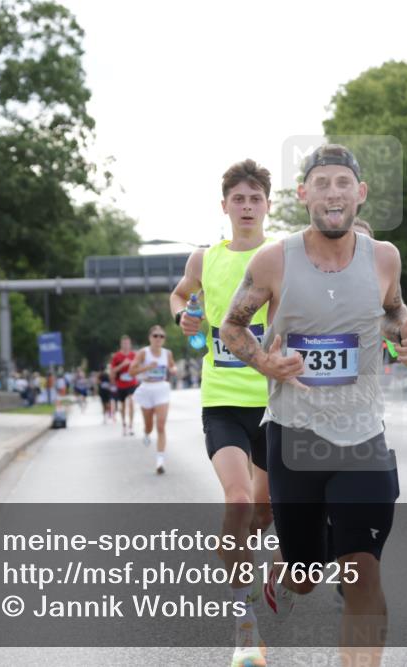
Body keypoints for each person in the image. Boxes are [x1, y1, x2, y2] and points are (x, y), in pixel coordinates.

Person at [220, 144, 407, 667]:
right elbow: (232, 326)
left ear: (359, 194)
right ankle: (286, 570)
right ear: (303, 194)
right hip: (295, 439)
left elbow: (390, 313)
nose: (333, 193)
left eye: (343, 183)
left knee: (363, 570)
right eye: (322, 183)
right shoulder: (274, 259)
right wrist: (266, 365)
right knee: (305, 578)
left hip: (363, 439)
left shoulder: (384, 257)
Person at [169, 159, 277, 667]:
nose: (248, 206)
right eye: (240, 198)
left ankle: (247, 557)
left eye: (256, 198)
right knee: (237, 501)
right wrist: (184, 317)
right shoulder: (204, 259)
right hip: (223, 401)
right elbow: (181, 299)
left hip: (276, 403)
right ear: (225, 206)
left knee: (263, 511)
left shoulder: (282, 257)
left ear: (268, 205)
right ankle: (244, 628)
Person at [128, 325, 177, 474]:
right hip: (146, 389)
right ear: (150, 337)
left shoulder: (167, 353)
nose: (158, 339)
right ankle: (147, 432)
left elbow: (172, 366)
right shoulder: (143, 353)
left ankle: (160, 461)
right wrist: (147, 367)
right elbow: (131, 371)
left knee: (161, 426)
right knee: (149, 426)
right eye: (155, 336)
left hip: (161, 388)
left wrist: (173, 370)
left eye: (161, 336)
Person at [110, 335, 138, 436]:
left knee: (131, 401)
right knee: (123, 406)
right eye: (124, 343)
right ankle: (124, 425)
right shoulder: (117, 356)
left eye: (128, 343)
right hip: (121, 384)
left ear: (130, 344)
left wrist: (133, 368)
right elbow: (113, 370)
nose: (126, 345)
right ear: (121, 344)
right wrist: (123, 364)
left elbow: (138, 368)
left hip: (132, 383)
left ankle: (131, 426)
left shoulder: (134, 355)